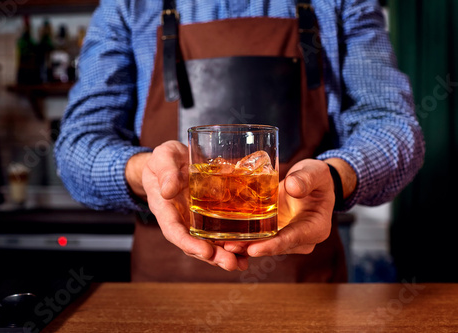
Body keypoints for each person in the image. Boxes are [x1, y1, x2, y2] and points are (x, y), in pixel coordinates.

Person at [54, 0, 424, 282]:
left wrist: (337, 175)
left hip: (305, 285)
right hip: (164, 290)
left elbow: (394, 125)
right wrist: (143, 171)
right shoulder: (129, 5)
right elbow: (76, 146)